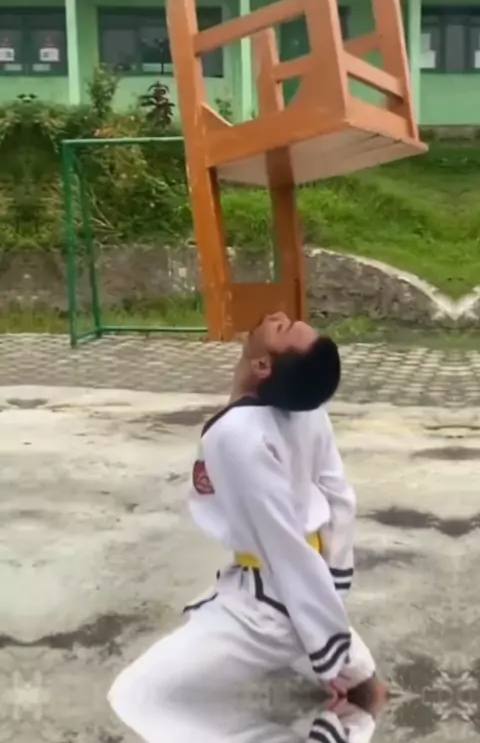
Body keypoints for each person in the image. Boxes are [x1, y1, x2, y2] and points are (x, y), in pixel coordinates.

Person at [108, 313, 385, 743]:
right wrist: (333, 585)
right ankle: (343, 669)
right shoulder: (310, 411)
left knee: (131, 696)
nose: (278, 316)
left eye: (282, 328)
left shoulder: (237, 436)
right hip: (301, 584)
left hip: (267, 605)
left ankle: (327, 657)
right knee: (362, 685)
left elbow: (283, 543)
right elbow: (339, 500)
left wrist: (324, 633)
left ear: (263, 365)